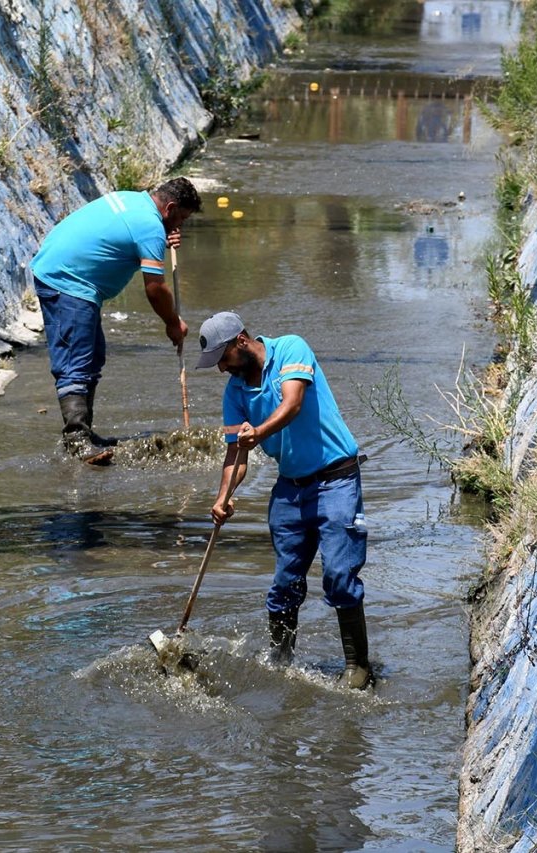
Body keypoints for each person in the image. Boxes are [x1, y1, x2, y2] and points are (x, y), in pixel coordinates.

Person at [196, 311, 373, 689]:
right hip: (291, 489)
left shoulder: (291, 348)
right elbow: (235, 456)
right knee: (285, 582)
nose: (221, 369)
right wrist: (222, 498)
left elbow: (292, 404)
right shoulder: (236, 392)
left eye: (222, 358)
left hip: (336, 479)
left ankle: (358, 667)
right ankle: (280, 663)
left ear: (241, 341)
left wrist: (257, 433)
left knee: (339, 576)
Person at [29, 177, 202, 463]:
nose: (180, 227)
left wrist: (164, 233)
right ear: (169, 207)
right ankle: (77, 440)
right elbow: (155, 288)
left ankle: (85, 433)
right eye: (180, 218)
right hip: (68, 282)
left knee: (93, 358)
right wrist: (173, 322)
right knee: (76, 362)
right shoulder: (150, 228)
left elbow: (129, 237)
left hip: (65, 273)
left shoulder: (135, 202)